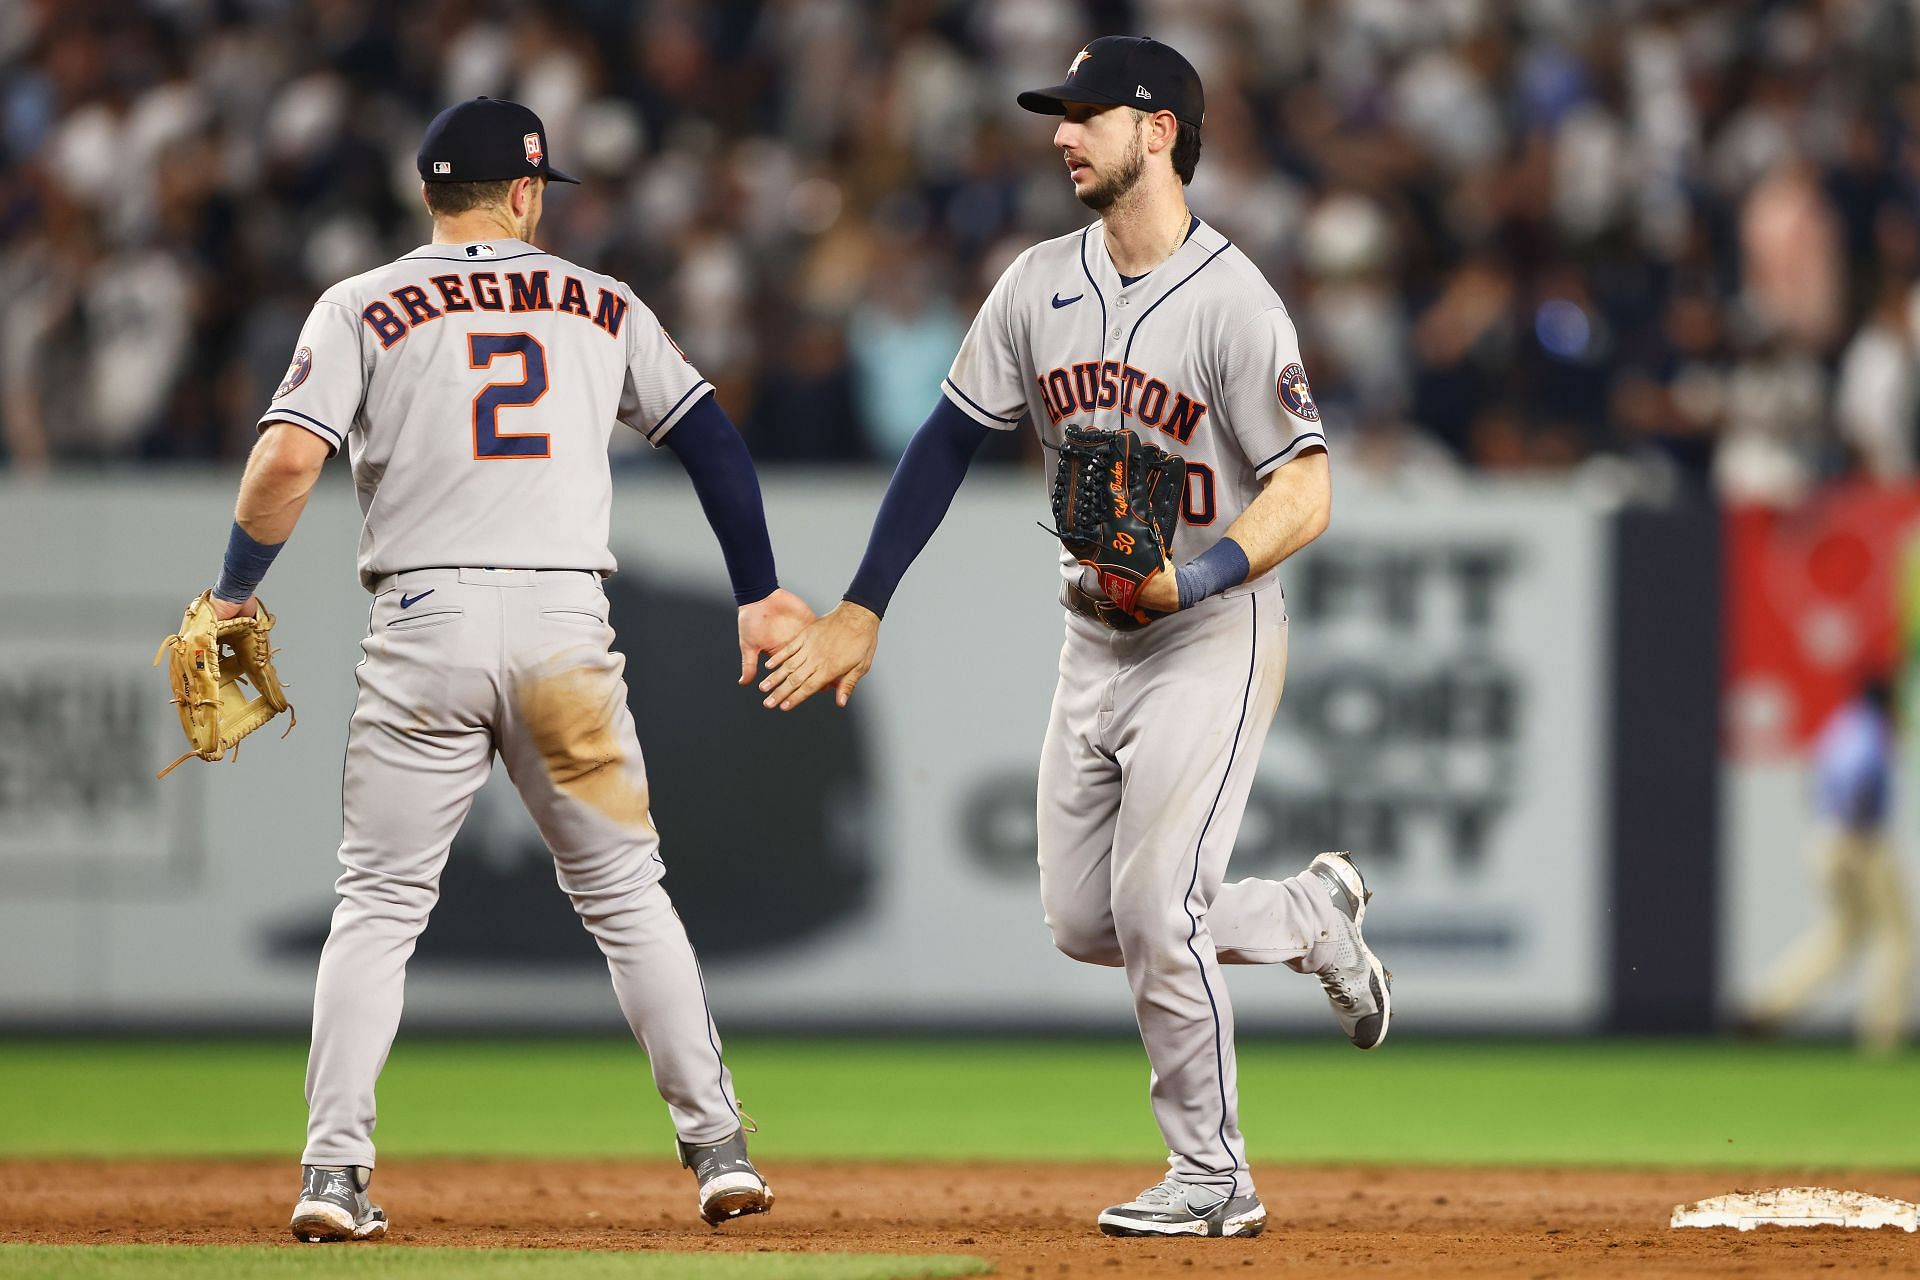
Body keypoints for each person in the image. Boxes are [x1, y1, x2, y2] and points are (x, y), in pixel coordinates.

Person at [758, 38, 1391, 1239]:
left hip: (1211, 630)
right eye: (1061, 113)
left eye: (1089, 112)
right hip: (1092, 639)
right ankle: (1313, 917)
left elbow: (1307, 485)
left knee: (1158, 908)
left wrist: (1197, 575)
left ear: (1160, 131)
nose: (1062, 132)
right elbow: (946, 442)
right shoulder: (1035, 281)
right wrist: (862, 604)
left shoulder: (1233, 299)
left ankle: (1213, 1177)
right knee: (1087, 920)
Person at [197, 97, 809, 1241]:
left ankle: (334, 1172)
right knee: (628, 897)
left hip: (423, 619)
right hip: (563, 627)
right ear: (526, 192)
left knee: (377, 904)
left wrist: (236, 591)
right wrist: (758, 587)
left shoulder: (361, 302)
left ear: (430, 195)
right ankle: (719, 1151)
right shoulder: (602, 302)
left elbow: (285, 457)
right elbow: (710, 435)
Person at [1746, 676, 1912, 1053]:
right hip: (1861, 841)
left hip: (1825, 837)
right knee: (1894, 935)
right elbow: (1862, 778)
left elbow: (1812, 779)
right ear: (1886, 705)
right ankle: (1883, 1033)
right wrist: (1859, 831)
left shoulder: (1840, 727)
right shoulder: (1871, 734)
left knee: (1841, 934)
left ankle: (1769, 1004)